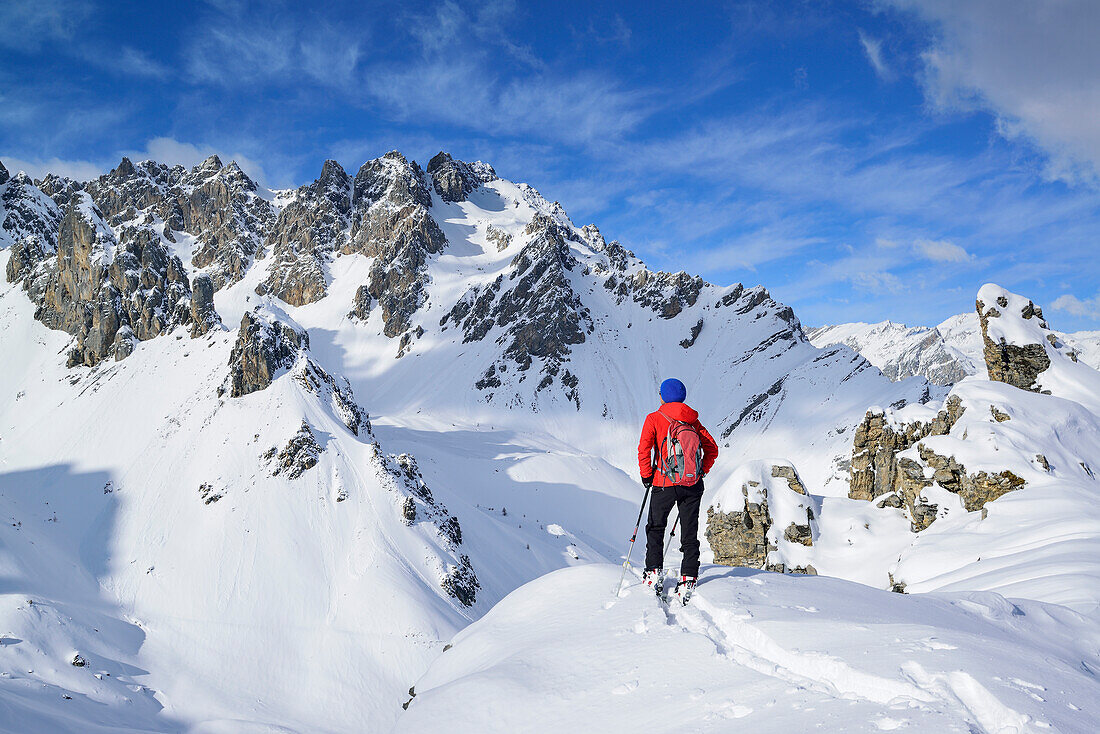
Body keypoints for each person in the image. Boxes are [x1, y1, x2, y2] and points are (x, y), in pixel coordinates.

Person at [637, 377, 719, 602]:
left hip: (663, 483)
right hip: (692, 485)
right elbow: (712, 448)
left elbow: (644, 449)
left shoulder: (654, 418)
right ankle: (689, 576)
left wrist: (647, 476)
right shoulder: (693, 422)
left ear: (663, 396)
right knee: (689, 532)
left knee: (656, 527)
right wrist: (701, 471)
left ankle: (654, 572)